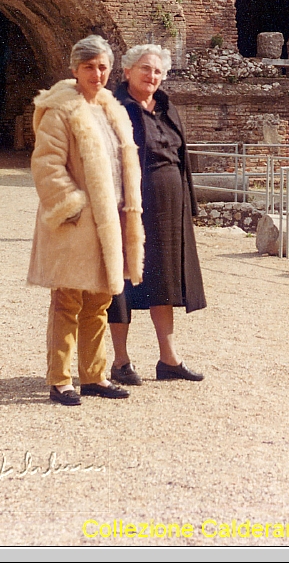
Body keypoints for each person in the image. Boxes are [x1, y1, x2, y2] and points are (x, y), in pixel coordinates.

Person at [28, 35, 145, 405]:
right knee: (67, 301)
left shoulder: (111, 109)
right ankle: (60, 379)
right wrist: (73, 207)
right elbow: (46, 165)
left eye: (102, 67)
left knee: (99, 302)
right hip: (76, 224)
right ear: (75, 69)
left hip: (110, 221)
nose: (97, 74)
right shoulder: (61, 109)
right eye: (89, 67)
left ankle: (93, 375)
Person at [108, 44, 206, 384]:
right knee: (122, 284)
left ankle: (169, 359)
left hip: (168, 213)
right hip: (127, 211)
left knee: (162, 284)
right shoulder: (114, 108)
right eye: (145, 69)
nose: (152, 76)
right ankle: (120, 361)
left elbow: (183, 161)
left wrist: (188, 206)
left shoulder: (167, 108)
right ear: (128, 72)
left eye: (158, 72)